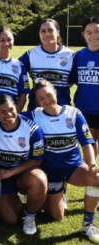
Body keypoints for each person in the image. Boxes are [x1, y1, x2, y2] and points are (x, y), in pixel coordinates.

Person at [25, 80, 99, 243]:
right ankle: (38, 194)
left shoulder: (73, 113)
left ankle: (88, 224)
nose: (47, 100)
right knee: (56, 216)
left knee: (96, 178)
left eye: (49, 95)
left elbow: (87, 144)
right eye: (41, 98)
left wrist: (92, 165)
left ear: (56, 93)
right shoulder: (34, 115)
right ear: (37, 101)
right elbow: (11, 119)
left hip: (73, 167)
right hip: (51, 172)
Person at [0, 94, 47, 235]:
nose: (9, 114)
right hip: (0, 177)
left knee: (39, 178)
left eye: (11, 109)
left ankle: (29, 215)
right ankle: (10, 196)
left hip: (21, 174)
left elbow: (37, 160)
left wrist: (10, 172)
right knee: (11, 220)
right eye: (2, 112)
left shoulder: (31, 129)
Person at [68, 16, 99, 244]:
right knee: (81, 153)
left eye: (97, 31)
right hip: (82, 112)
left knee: (94, 153)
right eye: (89, 32)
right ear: (83, 35)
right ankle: (64, 191)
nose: (93, 36)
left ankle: (90, 186)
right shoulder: (78, 56)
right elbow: (68, 80)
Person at [19, 19, 74, 111]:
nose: (47, 34)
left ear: (58, 32)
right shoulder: (31, 54)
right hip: (36, 110)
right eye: (43, 31)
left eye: (50, 30)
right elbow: (15, 72)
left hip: (62, 110)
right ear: (39, 34)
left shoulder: (70, 55)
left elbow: (73, 80)